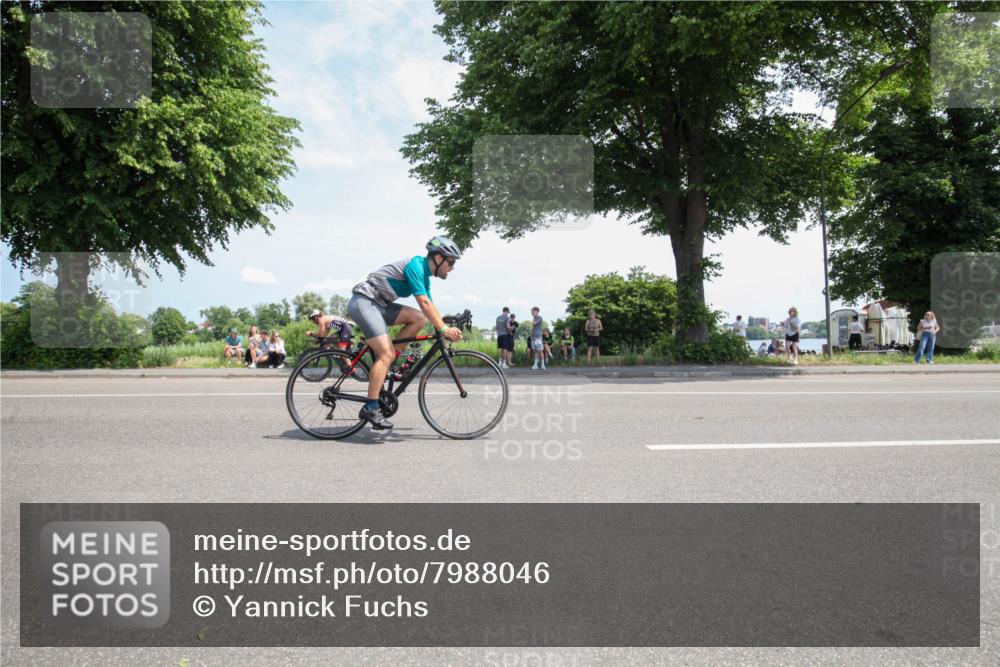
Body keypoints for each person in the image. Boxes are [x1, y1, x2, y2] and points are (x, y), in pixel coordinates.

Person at [347, 236, 463, 430]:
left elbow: (429, 306)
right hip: (365, 302)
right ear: (438, 258)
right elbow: (423, 302)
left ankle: (389, 363)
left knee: (418, 318)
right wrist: (444, 329)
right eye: (451, 262)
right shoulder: (415, 266)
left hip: (380, 304)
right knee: (386, 354)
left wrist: (443, 324)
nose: (452, 268)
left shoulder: (424, 275)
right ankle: (371, 407)